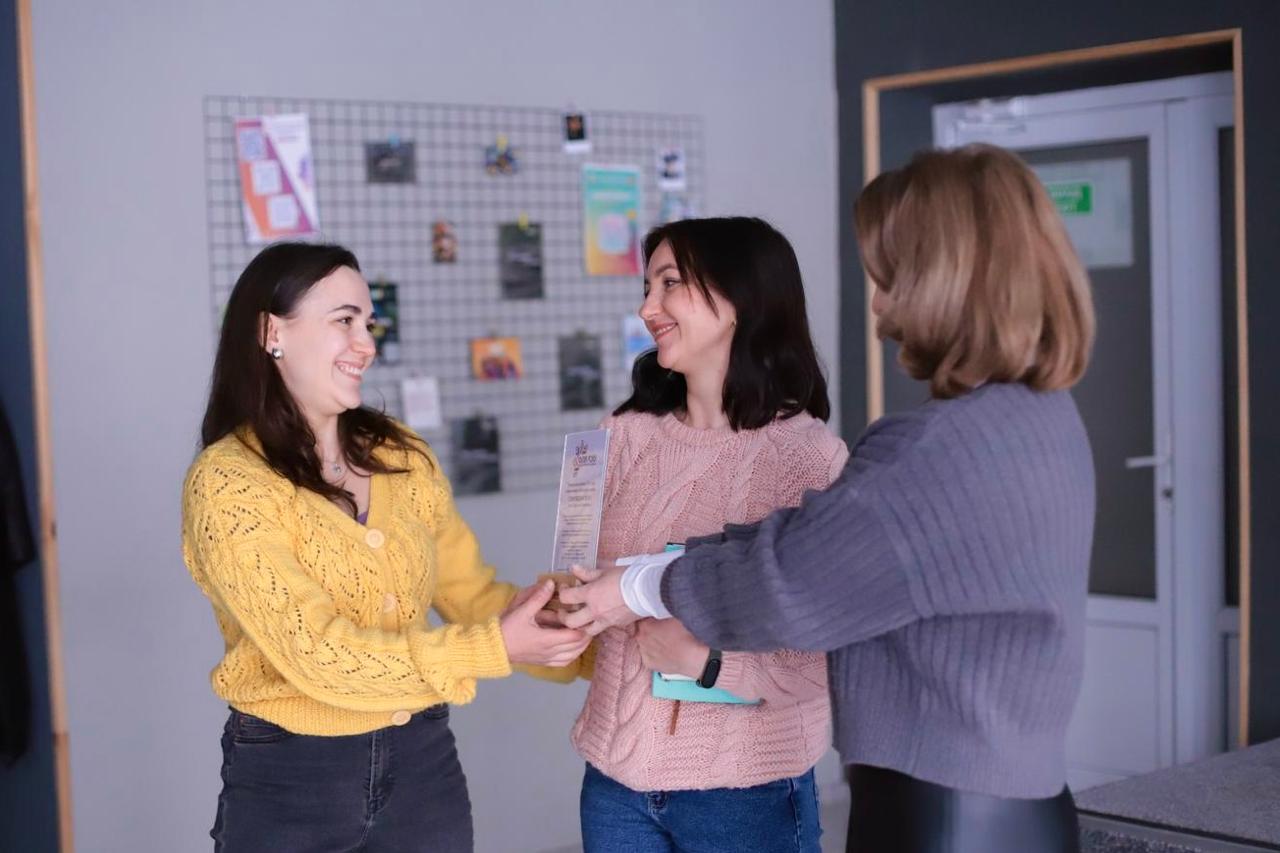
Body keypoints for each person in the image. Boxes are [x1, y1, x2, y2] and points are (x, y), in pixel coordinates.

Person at [561, 144, 1097, 853]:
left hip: (947, 814)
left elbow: (786, 582)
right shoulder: (1037, 421)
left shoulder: (935, 451)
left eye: (890, 274)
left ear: (945, 275)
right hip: (994, 800)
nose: (878, 303)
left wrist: (639, 588)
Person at [181, 241, 588, 853]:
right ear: (272, 333)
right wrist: (496, 646)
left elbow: (474, 596)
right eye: (344, 320)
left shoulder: (400, 454)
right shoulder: (228, 482)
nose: (366, 344)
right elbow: (316, 653)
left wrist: (587, 633)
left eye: (368, 324)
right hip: (292, 780)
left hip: (422, 769)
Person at [560, 217, 848, 853]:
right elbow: (581, 582)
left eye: (670, 284)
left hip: (745, 792)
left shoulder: (808, 461)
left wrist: (709, 663)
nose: (647, 308)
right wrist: (566, 612)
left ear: (740, 298)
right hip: (614, 783)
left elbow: (833, 656)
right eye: (646, 287)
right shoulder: (620, 436)